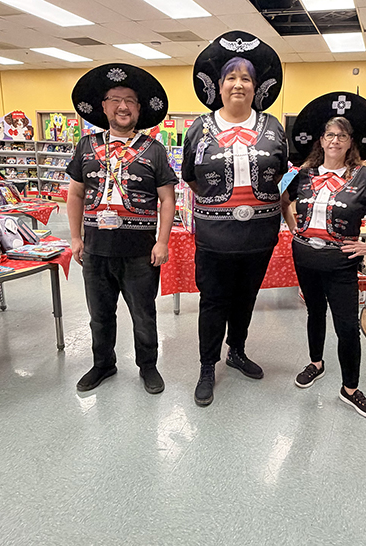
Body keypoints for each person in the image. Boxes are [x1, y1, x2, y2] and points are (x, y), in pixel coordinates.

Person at [281, 92, 366, 420]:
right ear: (321, 141)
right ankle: (316, 364)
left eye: (342, 135)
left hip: (342, 261)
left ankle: (350, 389)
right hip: (305, 255)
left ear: (351, 142)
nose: (335, 140)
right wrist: (294, 227)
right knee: (314, 313)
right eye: (329, 135)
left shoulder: (364, 176)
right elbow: (283, 200)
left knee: (348, 326)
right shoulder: (304, 173)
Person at [182, 31, 287, 407]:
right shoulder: (199, 127)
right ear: (220, 86)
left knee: (246, 298)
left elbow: (286, 174)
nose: (238, 84)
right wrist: (218, 205)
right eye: (231, 77)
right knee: (213, 301)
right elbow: (190, 176)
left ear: (256, 87)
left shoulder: (274, 127)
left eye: (246, 78)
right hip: (214, 237)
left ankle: (237, 351)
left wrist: (278, 197)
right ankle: (207, 365)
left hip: (259, 236)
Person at [66, 63, 177, 395]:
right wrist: (74, 237)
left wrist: (162, 241)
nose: (123, 106)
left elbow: (167, 199)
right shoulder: (86, 146)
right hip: (96, 250)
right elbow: (74, 193)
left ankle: (148, 367)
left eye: (129, 100)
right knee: (99, 316)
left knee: (144, 317)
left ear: (139, 109)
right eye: (115, 99)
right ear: (104, 106)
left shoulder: (153, 149)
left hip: (140, 253)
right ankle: (103, 364)